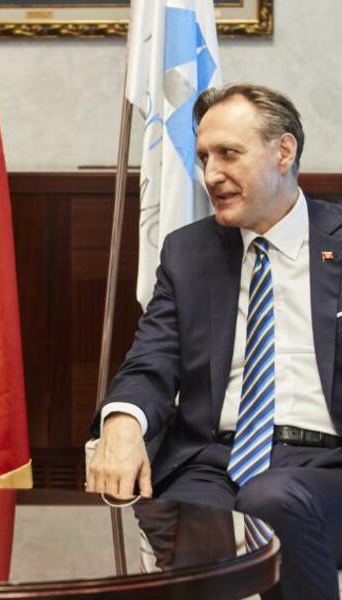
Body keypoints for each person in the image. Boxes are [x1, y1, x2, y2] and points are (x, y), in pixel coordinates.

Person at [87, 83, 342, 600]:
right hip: (213, 464)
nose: (210, 175)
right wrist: (122, 421)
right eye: (204, 157)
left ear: (283, 151)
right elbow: (150, 361)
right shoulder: (189, 252)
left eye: (228, 153)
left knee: (271, 498)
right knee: (181, 521)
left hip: (325, 467)